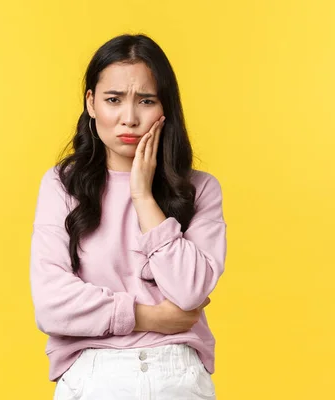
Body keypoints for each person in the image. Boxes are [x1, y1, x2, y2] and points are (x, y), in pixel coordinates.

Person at [29, 33, 227, 399]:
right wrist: (148, 316)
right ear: (91, 103)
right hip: (92, 375)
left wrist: (142, 195)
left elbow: (190, 289)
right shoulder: (62, 185)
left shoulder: (200, 189)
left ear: (165, 106)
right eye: (113, 100)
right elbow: (51, 304)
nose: (130, 118)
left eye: (146, 100)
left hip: (177, 376)